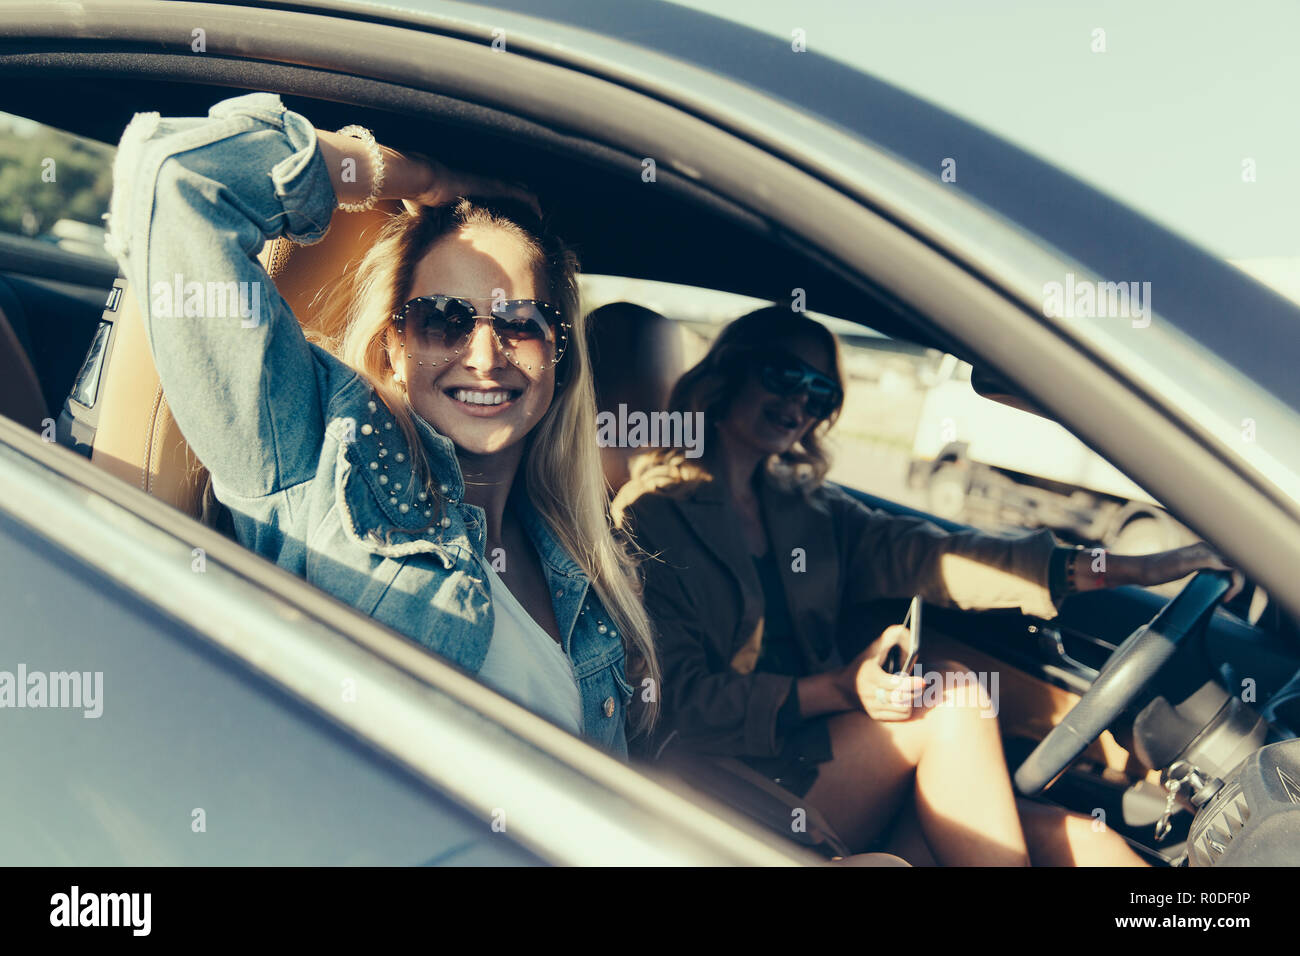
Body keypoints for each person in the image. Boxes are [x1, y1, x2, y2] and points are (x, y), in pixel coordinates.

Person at [106, 91, 657, 756]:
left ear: (559, 353)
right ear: (394, 346)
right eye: (443, 320)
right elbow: (180, 179)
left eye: (521, 324)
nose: (484, 357)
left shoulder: (583, 566)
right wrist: (419, 179)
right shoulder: (323, 453)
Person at [613, 307, 1239, 864]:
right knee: (956, 699)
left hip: (842, 754)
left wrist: (1129, 569)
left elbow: (949, 556)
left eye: (819, 390)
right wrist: (834, 688)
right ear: (731, 373)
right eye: (783, 377)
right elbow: (676, 705)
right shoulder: (653, 516)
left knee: (1092, 845)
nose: (799, 403)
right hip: (740, 779)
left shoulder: (811, 511)